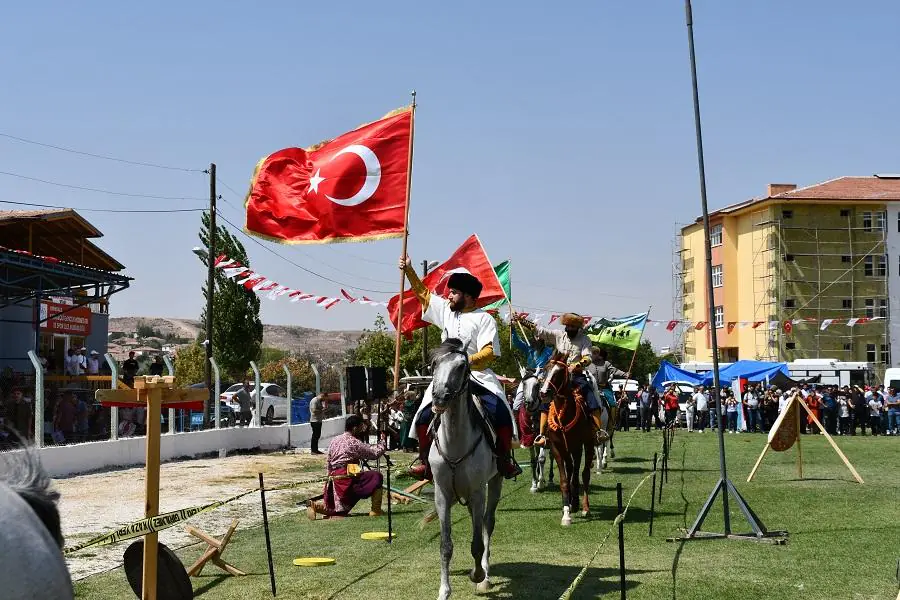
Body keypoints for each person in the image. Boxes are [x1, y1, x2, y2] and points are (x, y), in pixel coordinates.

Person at [400, 257, 521, 480]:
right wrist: (409, 270)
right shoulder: (446, 310)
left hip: (478, 375)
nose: (448, 295)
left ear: (467, 296)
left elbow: (488, 353)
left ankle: (504, 460)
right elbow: (425, 296)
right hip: (445, 377)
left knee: (502, 412)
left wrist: (464, 362)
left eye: (453, 292)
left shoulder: (484, 319)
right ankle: (425, 461)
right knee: (422, 415)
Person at [518, 312, 608, 446]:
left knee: (591, 398)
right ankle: (542, 435)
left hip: (576, 376)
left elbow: (588, 358)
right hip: (557, 376)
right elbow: (541, 331)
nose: (569, 328)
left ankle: (598, 431)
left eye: (572, 326)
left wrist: (576, 365)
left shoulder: (585, 340)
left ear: (578, 327)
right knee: (545, 399)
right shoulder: (558, 335)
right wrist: (522, 321)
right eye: (567, 325)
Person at [307, 415, 386, 520]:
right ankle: (376, 510)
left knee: (341, 509)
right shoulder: (353, 442)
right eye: (360, 427)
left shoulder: (335, 440)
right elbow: (374, 454)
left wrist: (328, 480)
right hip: (347, 476)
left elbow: (329, 461)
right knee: (376, 476)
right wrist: (383, 442)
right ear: (354, 428)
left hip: (334, 477)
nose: (361, 430)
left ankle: (315, 506)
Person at [585, 346, 628, 430]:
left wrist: (624, 374)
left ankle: (612, 423)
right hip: (590, 388)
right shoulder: (586, 363)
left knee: (612, 404)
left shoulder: (606, 363)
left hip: (604, 388)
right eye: (592, 353)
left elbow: (615, 370)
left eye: (595, 353)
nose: (593, 355)